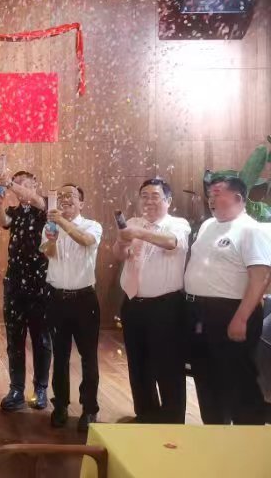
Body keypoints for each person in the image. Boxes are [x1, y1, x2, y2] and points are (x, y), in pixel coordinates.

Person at [184, 176, 271, 425]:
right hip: (199, 312)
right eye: (210, 193)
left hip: (232, 311)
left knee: (237, 378)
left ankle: (247, 436)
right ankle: (215, 430)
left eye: (217, 193)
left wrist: (241, 318)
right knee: (206, 375)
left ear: (237, 198)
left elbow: (260, 277)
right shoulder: (207, 225)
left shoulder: (251, 230)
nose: (211, 198)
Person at [112, 178, 190, 424]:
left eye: (155, 196)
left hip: (165, 306)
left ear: (168, 200)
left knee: (168, 364)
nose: (148, 200)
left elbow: (171, 243)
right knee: (138, 364)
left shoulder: (178, 224)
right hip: (133, 303)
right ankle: (145, 415)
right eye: (144, 196)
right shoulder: (133, 222)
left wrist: (138, 233)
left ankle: (172, 420)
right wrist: (122, 242)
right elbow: (119, 255)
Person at [39, 183, 102, 433]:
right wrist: (51, 240)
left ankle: (89, 408)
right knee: (60, 355)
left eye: (71, 196)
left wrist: (62, 223)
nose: (65, 199)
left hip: (84, 300)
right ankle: (61, 405)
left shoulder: (92, 225)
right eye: (62, 195)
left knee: (88, 356)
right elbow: (48, 253)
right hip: (56, 299)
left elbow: (85, 241)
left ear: (81, 203)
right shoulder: (50, 226)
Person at [0, 170, 51, 412]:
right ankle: (16, 389)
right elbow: (1, 221)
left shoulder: (45, 205)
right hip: (15, 283)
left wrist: (9, 183)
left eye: (24, 183)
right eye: (16, 184)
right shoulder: (15, 212)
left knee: (41, 338)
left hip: (41, 282)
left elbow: (35, 199)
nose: (19, 188)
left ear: (35, 184)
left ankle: (40, 389)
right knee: (14, 338)